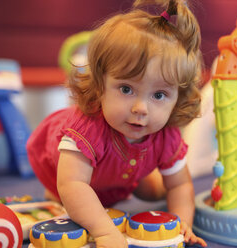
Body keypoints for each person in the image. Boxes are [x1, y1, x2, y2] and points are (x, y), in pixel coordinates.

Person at [26, 0, 207, 247]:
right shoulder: (86, 128)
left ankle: (130, 181)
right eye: (126, 89)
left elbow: (180, 184)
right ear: (100, 84)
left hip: (124, 168)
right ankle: (60, 194)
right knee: (69, 196)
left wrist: (181, 222)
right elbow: (73, 183)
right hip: (69, 172)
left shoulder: (167, 134)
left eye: (159, 95)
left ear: (177, 98)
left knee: (155, 190)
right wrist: (104, 232)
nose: (140, 108)